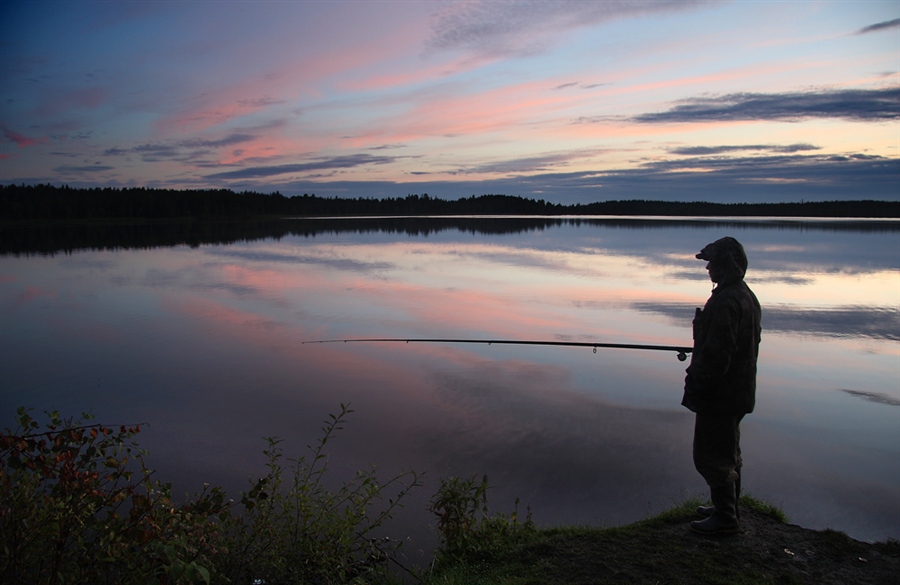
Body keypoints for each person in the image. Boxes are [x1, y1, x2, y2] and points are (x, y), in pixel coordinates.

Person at [682, 236, 761, 535]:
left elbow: (718, 355)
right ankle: (727, 508)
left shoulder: (728, 300)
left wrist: (696, 383)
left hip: (721, 394)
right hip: (737, 391)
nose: (708, 268)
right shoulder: (744, 295)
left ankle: (726, 519)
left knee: (712, 455)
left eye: (713, 262)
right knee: (729, 452)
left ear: (727, 264)